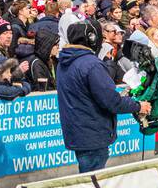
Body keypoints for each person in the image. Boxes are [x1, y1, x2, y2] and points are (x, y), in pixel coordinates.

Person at [55, 21, 149, 173]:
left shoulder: (64, 63)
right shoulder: (91, 64)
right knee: (93, 182)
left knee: (87, 177)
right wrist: (138, 106)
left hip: (78, 132)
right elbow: (111, 101)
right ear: (92, 38)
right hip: (93, 134)